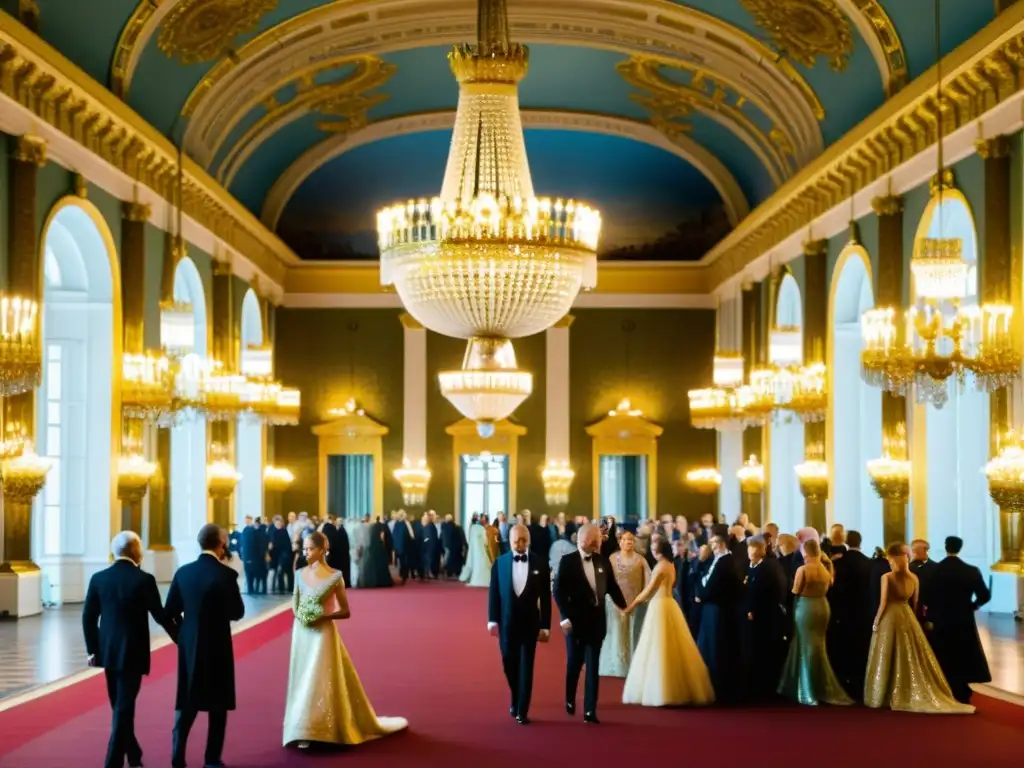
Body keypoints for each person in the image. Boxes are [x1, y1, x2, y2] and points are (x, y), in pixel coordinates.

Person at [283, 531, 407, 747]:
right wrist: (302, 616)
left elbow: (345, 611)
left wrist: (322, 616)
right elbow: (295, 601)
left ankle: (322, 728)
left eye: (310, 548)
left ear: (322, 550)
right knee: (302, 677)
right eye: (304, 548)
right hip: (302, 632)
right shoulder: (299, 573)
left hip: (324, 633)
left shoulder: (335, 576)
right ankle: (300, 726)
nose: (306, 553)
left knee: (319, 677)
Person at [82, 531, 177, 768]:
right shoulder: (143, 579)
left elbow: (88, 618)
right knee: (123, 707)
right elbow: (161, 616)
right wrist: (182, 638)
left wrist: (93, 650)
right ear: (135, 550)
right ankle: (113, 761)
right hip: (133, 652)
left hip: (108, 651)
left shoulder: (98, 578)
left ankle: (133, 754)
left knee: (120, 706)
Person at [165, 524, 246, 768]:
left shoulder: (183, 573)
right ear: (221, 544)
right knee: (217, 703)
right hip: (218, 644)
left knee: (188, 700)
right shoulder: (226, 575)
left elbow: (169, 612)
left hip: (189, 644)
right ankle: (212, 759)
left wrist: (181, 636)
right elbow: (238, 612)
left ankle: (178, 755)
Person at [863, 542, 974, 714]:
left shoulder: (887, 577)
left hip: (890, 616)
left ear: (892, 558)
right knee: (910, 656)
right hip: (907, 616)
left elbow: (883, 603)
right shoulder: (914, 578)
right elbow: (915, 604)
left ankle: (883, 694)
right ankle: (906, 688)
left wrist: (876, 621)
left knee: (887, 655)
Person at [622, 538, 714, 706]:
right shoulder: (670, 564)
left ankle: (663, 690)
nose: (653, 551)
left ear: (661, 551)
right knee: (674, 647)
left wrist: (631, 605)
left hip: (660, 606)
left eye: (655, 549)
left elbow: (649, 591)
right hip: (669, 604)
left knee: (659, 648)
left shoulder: (661, 566)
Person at [554, 522, 627, 723]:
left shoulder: (602, 561)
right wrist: (565, 618)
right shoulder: (568, 561)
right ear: (585, 540)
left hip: (597, 623)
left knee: (593, 667)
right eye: (597, 538)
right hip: (575, 623)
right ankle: (569, 699)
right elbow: (558, 592)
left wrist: (625, 606)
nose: (600, 541)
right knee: (575, 664)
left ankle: (589, 710)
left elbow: (612, 586)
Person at [487, 524, 552, 724]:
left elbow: (546, 598)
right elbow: (493, 595)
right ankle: (515, 697)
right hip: (507, 624)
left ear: (529, 540)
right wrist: (492, 620)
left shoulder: (540, 564)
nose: (521, 544)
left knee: (526, 667)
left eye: (524, 540)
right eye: (517, 541)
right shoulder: (500, 563)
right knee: (509, 664)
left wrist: (545, 625)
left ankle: (522, 710)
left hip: (530, 624)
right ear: (510, 541)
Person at [777, 538, 852, 707]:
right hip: (823, 607)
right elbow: (832, 582)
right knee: (818, 646)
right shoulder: (826, 571)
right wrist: (828, 563)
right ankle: (820, 686)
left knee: (806, 646)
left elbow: (795, 591)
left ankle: (807, 689)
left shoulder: (803, 569)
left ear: (805, 552)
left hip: (806, 608)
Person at [928, 536, 991, 704]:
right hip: (963, 618)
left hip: (941, 618)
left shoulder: (935, 570)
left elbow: (927, 596)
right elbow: (985, 595)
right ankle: (962, 688)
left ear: (945, 547)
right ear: (960, 548)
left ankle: (943, 686)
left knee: (943, 651)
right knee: (962, 651)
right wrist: (973, 606)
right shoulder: (971, 570)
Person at [695, 534, 742, 704]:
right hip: (711, 608)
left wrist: (701, 594)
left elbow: (713, 584)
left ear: (721, 544)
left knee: (716, 648)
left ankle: (719, 689)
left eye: (714, 543)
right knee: (709, 646)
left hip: (718, 610)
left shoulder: (726, 561)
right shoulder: (718, 560)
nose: (711, 546)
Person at [741, 534, 787, 702]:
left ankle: (764, 691)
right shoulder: (753, 566)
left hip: (766, 619)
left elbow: (769, 593)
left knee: (764, 654)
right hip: (755, 618)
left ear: (759, 549)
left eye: (751, 547)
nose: (748, 551)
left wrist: (754, 609)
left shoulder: (768, 567)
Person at [598, 530, 650, 677]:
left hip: (635, 603)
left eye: (631, 540)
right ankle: (615, 665)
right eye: (625, 539)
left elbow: (647, 582)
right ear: (620, 542)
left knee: (633, 632)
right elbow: (605, 581)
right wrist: (610, 600)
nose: (628, 542)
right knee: (615, 633)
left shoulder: (641, 560)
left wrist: (638, 601)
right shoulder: (612, 559)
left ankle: (634, 666)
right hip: (614, 603)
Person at [460, 514, 494, 587]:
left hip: (477, 550)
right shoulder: (481, 529)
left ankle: (477, 578)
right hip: (481, 549)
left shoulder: (473, 528)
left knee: (479, 563)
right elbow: (486, 541)